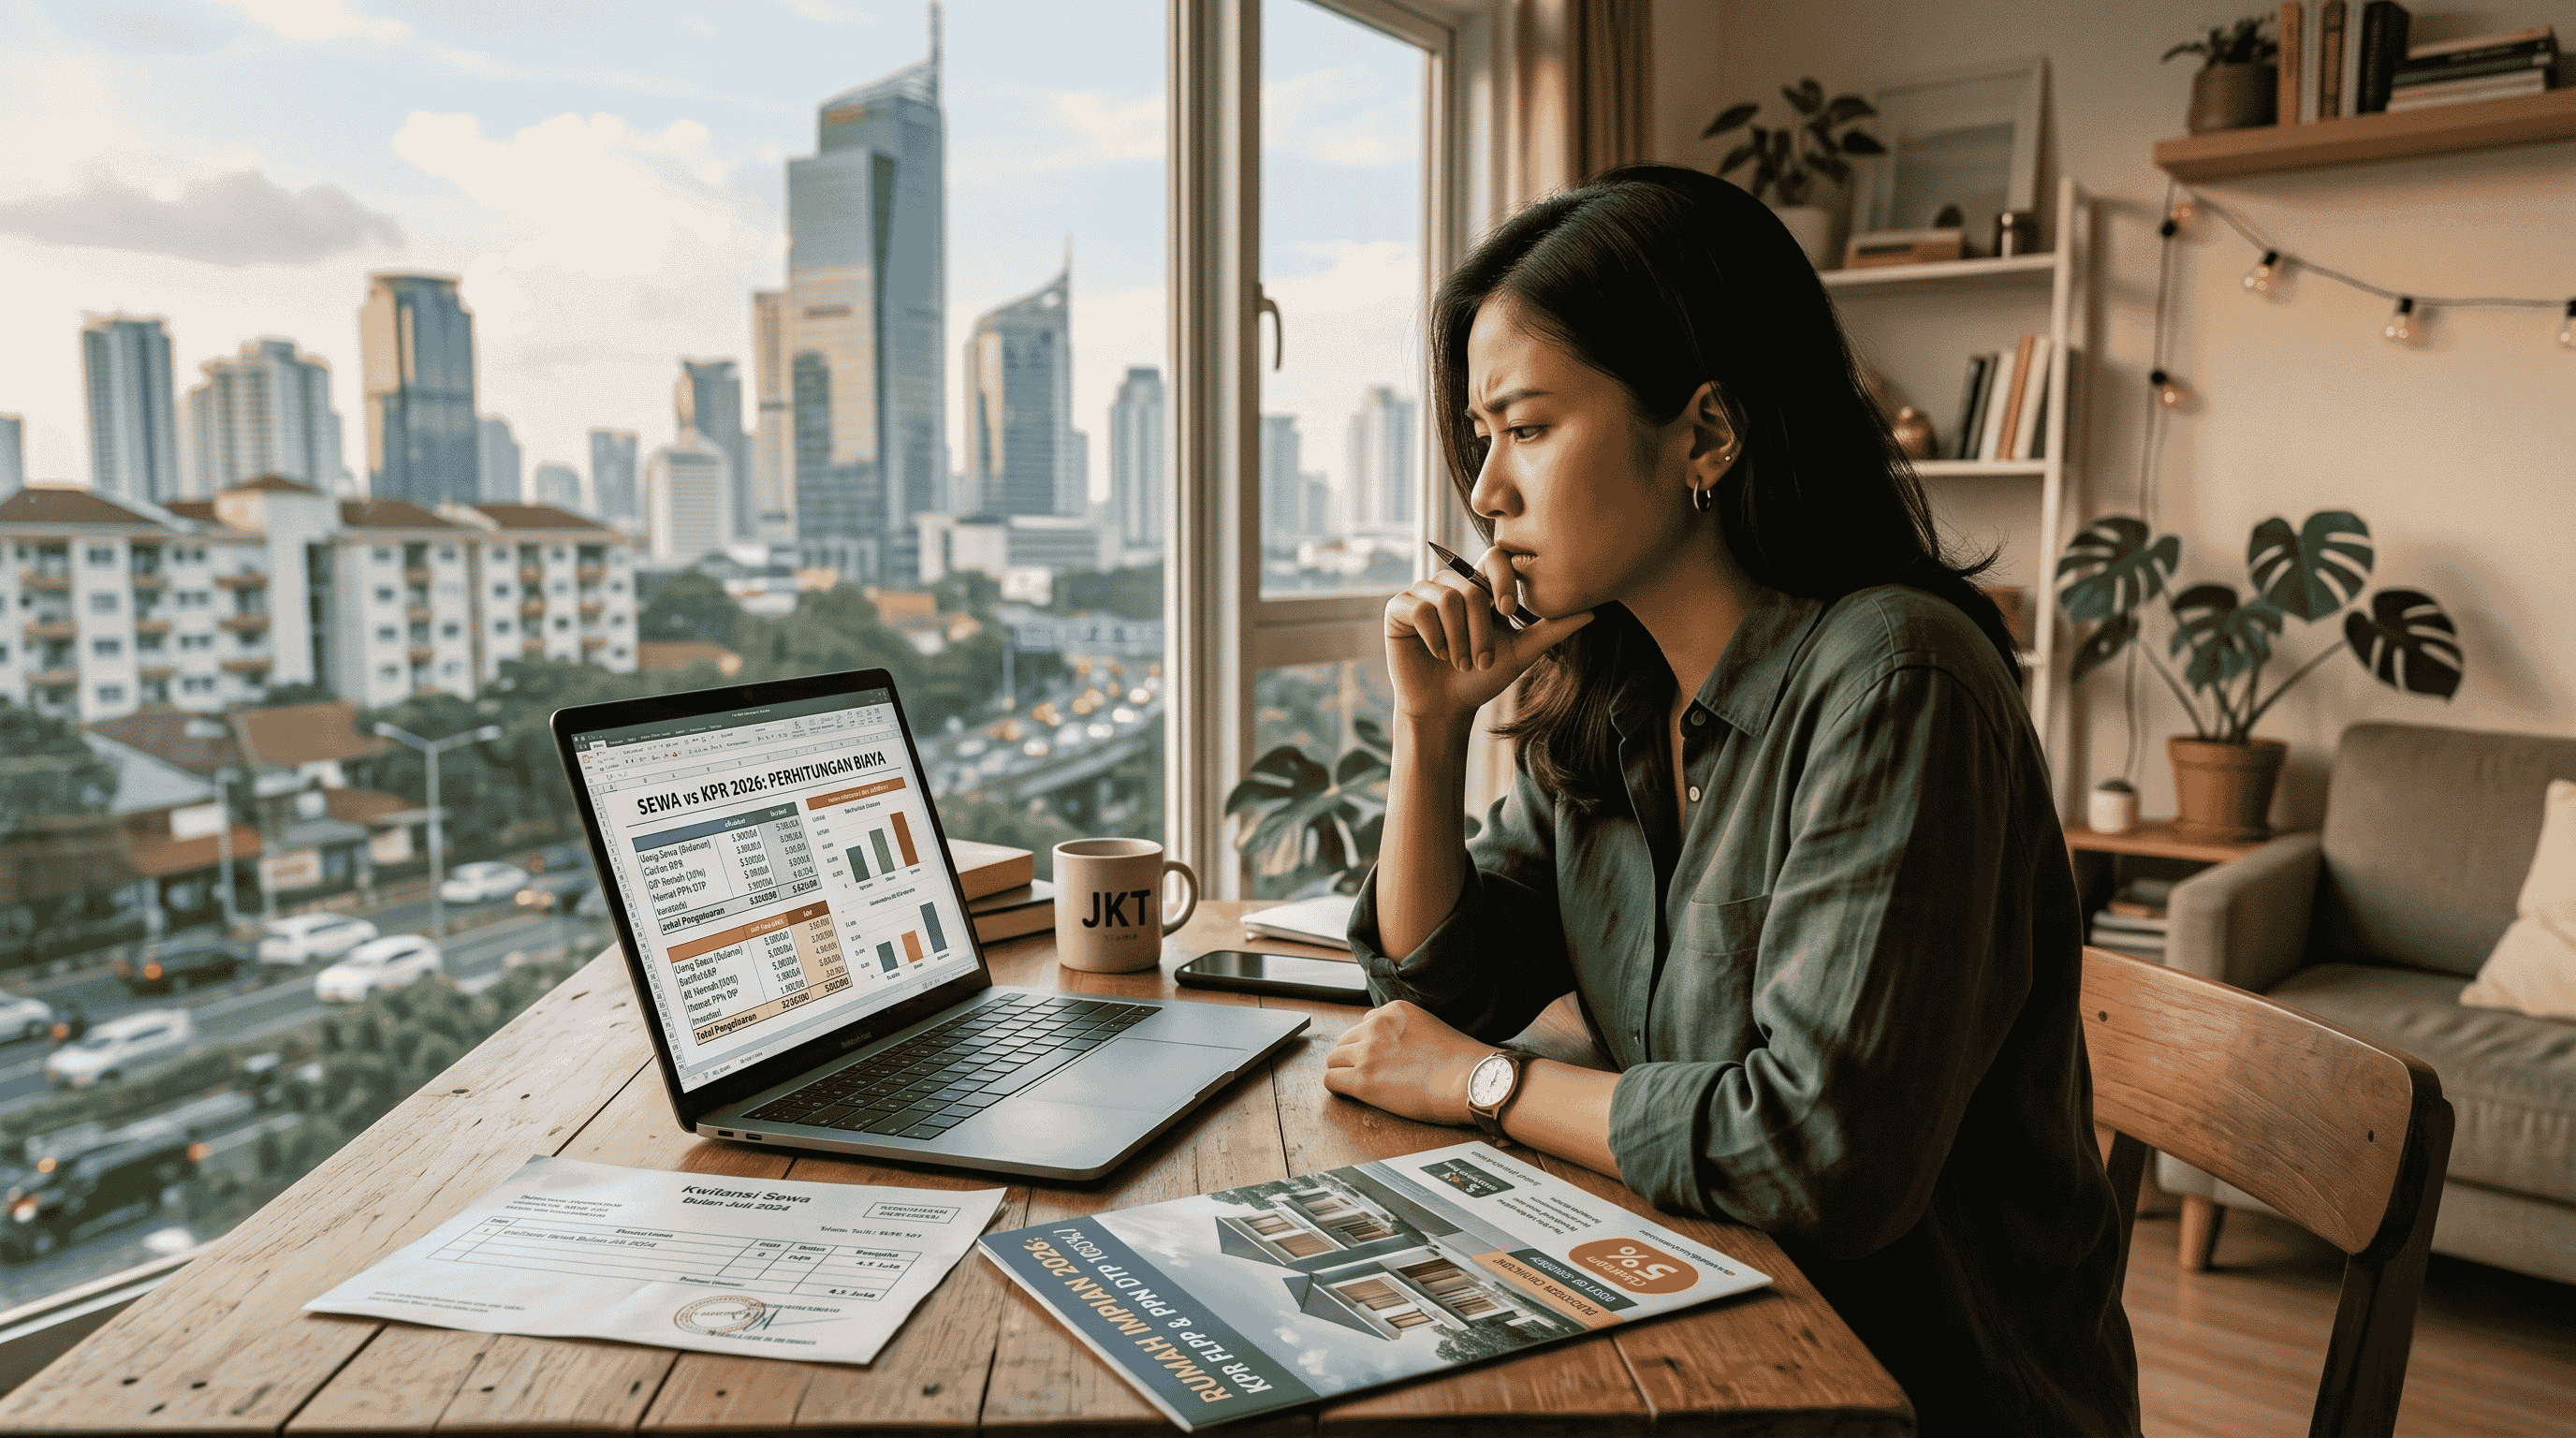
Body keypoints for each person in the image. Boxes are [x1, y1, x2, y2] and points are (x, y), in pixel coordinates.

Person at [1321, 166, 2140, 1436]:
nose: (1484, 492)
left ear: (1706, 433)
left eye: (1527, 429)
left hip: (1915, 1393)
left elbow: (1820, 1159)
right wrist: (1431, 737)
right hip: (1700, 1328)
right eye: (1481, 438)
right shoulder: (1617, 699)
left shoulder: (1896, 682)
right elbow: (1438, 995)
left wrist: (1486, 1087)